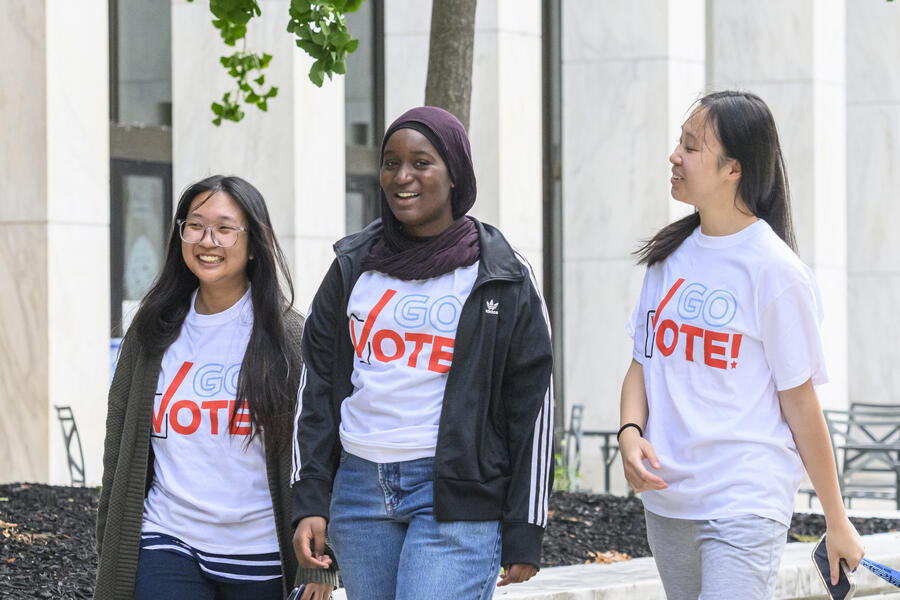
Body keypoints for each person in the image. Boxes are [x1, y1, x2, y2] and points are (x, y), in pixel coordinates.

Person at [290, 106, 554, 599]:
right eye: (391, 162)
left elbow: (532, 403)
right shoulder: (353, 265)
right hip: (359, 492)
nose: (402, 176)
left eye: (421, 162)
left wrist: (525, 525)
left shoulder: (501, 272)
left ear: (455, 173)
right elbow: (317, 389)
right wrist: (311, 499)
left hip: (456, 494)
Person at [619, 91, 865, 600]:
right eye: (678, 144)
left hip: (744, 500)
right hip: (669, 503)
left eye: (691, 146)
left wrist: (837, 520)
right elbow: (642, 365)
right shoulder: (668, 259)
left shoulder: (775, 271)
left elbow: (800, 401)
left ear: (734, 168)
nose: (674, 157)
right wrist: (629, 431)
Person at [94, 175, 337, 600]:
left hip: (260, 551)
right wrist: (110, 537)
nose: (208, 240)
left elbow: (320, 446)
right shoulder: (151, 331)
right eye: (195, 225)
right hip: (168, 538)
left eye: (225, 228)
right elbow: (120, 442)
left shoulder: (289, 336)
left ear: (254, 243)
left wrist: (321, 563)